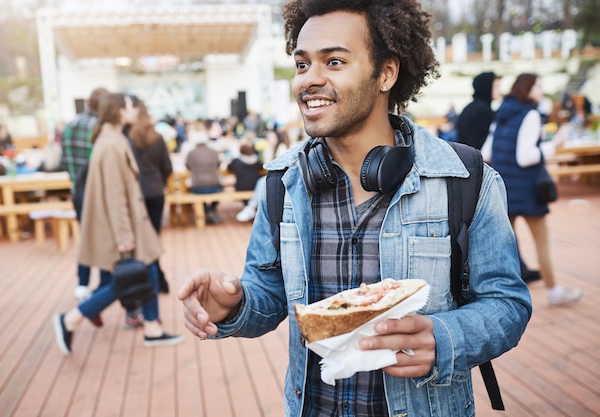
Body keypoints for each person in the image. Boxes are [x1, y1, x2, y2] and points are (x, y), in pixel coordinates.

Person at [179, 1, 532, 416]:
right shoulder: (281, 183)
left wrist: (445, 336)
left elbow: (507, 303)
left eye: (334, 61)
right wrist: (234, 306)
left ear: (386, 73)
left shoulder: (466, 178)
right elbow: (271, 299)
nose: (310, 80)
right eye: (302, 64)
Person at [53, 93, 183, 355]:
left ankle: (152, 329)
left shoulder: (111, 139)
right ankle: (72, 318)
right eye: (129, 106)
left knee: (146, 273)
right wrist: (124, 234)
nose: (135, 109)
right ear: (119, 112)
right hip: (129, 224)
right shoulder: (112, 143)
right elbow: (115, 194)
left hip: (132, 222)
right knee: (129, 279)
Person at [482, 73, 583, 306]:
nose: (542, 90)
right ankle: (554, 292)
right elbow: (525, 156)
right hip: (527, 190)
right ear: (527, 89)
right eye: (539, 85)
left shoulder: (502, 112)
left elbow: (486, 152)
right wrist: (553, 146)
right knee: (542, 241)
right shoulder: (531, 114)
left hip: (504, 189)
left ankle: (501, 297)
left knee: (503, 245)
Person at [457, 71, 541, 284]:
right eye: (495, 85)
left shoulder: (470, 109)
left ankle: (517, 269)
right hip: (479, 175)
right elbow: (482, 150)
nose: (499, 90)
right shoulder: (484, 112)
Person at [60, 87, 109, 307]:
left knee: (85, 238)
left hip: (77, 192)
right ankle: (103, 289)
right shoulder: (99, 128)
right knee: (104, 241)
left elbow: (64, 160)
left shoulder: (70, 126)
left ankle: (82, 284)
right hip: (97, 193)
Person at [126, 95, 173, 296]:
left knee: (139, 240)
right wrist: (159, 182)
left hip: (136, 193)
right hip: (155, 192)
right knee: (154, 237)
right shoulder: (157, 138)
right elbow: (167, 167)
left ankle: (149, 280)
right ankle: (158, 278)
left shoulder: (127, 139)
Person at [185, 133, 223, 225]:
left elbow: (187, 166)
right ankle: (211, 210)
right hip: (215, 185)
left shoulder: (191, 153)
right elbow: (218, 164)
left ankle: (207, 211)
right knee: (220, 191)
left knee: (196, 194)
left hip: (197, 186)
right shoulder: (213, 151)